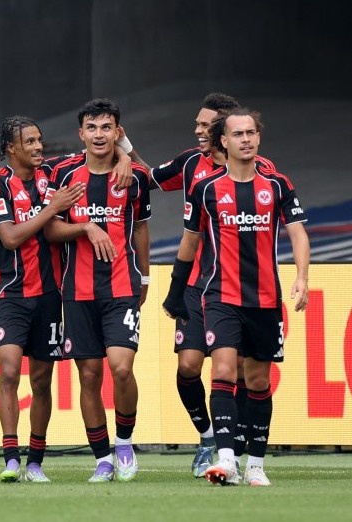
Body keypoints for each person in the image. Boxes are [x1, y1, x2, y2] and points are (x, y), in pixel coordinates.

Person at [127, 93, 276, 478]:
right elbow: (149, 178)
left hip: (239, 286)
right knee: (189, 365)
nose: (197, 130)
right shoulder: (191, 162)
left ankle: (237, 451)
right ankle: (208, 438)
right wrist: (123, 147)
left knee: (240, 370)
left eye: (204, 124)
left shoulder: (263, 171)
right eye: (196, 123)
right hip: (197, 284)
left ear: (223, 130)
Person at [163, 108, 309, 486]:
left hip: (265, 298)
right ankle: (226, 459)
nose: (246, 139)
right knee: (224, 371)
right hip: (220, 295)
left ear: (258, 137)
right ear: (224, 142)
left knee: (258, 381)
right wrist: (176, 291)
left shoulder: (277, 185)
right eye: (238, 134)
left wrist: (302, 277)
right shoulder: (207, 189)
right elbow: (190, 241)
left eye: (251, 133)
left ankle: (255, 465)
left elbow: (297, 233)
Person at [44, 98, 151, 483]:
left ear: (118, 132)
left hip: (122, 286)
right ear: (81, 134)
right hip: (77, 290)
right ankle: (102, 459)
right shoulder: (63, 174)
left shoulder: (134, 177)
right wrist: (87, 227)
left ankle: (124, 443)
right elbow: (50, 229)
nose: (99, 134)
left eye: (107, 127)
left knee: (121, 368)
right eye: (92, 128)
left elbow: (141, 228)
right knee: (89, 376)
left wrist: (145, 278)